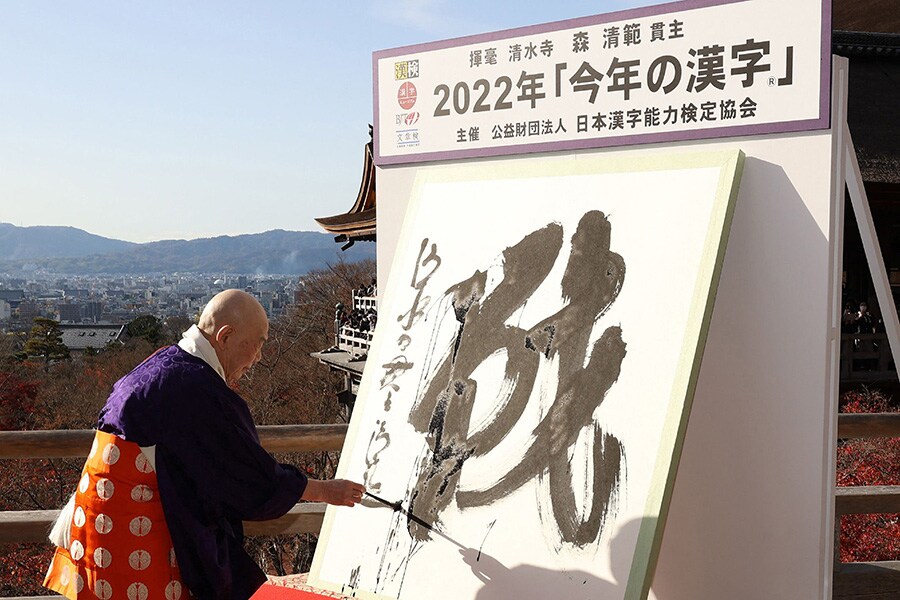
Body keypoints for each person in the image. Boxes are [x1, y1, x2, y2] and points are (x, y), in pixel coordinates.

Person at [43, 289, 365, 600]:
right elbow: (250, 477)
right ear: (225, 336)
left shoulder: (167, 364)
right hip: (132, 533)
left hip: (100, 523)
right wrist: (324, 491)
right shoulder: (194, 387)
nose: (258, 358)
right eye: (256, 345)